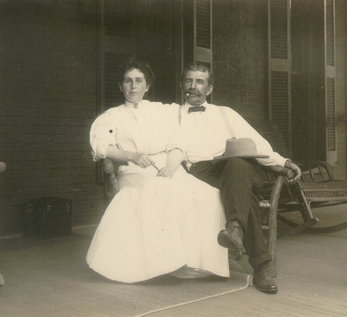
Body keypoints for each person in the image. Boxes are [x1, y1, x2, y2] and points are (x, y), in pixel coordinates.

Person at [86, 59, 229, 283]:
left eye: (138, 81)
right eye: (128, 81)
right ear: (120, 86)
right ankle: (168, 263)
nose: (133, 86)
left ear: (147, 86)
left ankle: (200, 264)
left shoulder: (161, 112)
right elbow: (102, 147)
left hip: (167, 167)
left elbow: (177, 144)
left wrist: (170, 169)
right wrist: (133, 156)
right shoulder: (112, 117)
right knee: (160, 189)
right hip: (133, 170)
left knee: (206, 193)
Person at [178, 64, 302, 294]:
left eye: (200, 81)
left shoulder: (225, 113)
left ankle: (235, 229)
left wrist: (282, 163)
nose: (193, 86)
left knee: (238, 162)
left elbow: (256, 143)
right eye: (188, 81)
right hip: (197, 172)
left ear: (210, 88)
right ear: (182, 85)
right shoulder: (171, 115)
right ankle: (261, 267)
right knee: (247, 199)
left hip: (231, 168)